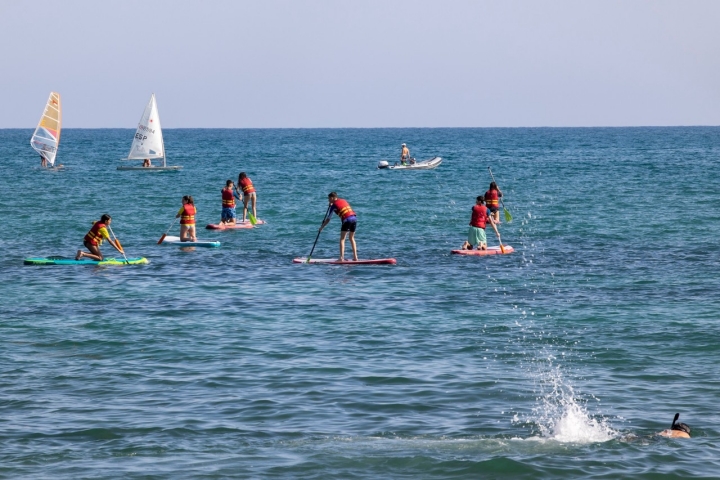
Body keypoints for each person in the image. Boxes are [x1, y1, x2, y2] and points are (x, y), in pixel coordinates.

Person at [319, 192, 358, 261]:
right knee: (351, 238)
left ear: (333, 198)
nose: (328, 201)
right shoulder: (343, 200)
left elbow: (328, 219)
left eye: (329, 199)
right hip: (354, 218)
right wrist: (331, 206)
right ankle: (355, 257)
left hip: (347, 219)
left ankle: (341, 258)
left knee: (342, 239)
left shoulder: (333, 206)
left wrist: (322, 227)